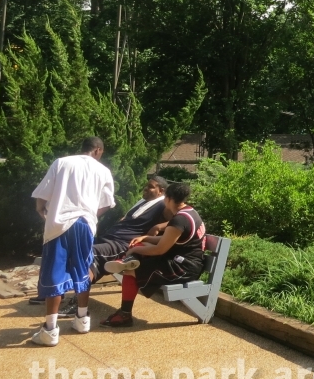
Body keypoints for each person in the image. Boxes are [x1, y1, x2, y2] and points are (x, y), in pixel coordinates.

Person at [30, 136, 115, 346]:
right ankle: (82, 320)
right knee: (83, 268)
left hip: (59, 224)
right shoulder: (103, 171)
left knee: (54, 272)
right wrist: (90, 214)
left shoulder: (62, 162)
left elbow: (42, 194)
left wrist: (41, 210)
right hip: (85, 224)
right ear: (98, 150)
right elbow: (107, 203)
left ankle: (50, 330)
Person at [56, 175, 169, 317]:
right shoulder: (144, 202)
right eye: (146, 185)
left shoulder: (163, 204)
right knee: (70, 249)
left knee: (88, 254)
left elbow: (181, 216)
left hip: (122, 245)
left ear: (161, 191)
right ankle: (56, 293)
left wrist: (159, 226)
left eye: (151, 186)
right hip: (109, 239)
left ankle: (77, 304)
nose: (146, 188)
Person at [101, 181, 206, 327]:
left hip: (182, 269)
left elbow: (160, 250)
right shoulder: (189, 212)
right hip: (181, 261)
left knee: (131, 270)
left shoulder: (179, 220)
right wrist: (146, 238)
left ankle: (125, 314)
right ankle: (126, 261)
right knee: (142, 246)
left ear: (168, 199)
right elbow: (167, 239)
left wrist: (134, 250)